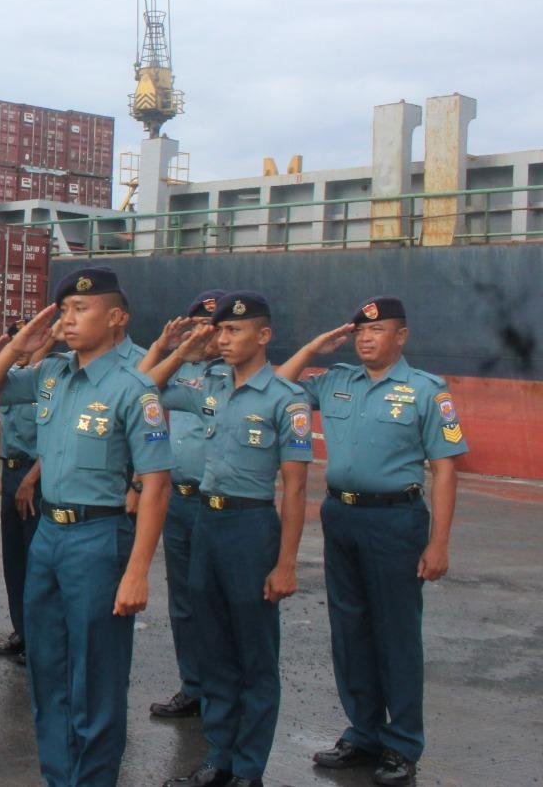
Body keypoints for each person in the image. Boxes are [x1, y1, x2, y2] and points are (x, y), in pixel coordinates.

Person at [0, 267, 172, 787]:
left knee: (96, 676)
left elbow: (156, 485)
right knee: (48, 668)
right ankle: (59, 775)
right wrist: (18, 347)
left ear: (117, 318)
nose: (69, 318)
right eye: (64, 310)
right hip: (49, 538)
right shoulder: (52, 373)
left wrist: (138, 571)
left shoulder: (135, 389)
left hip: (100, 539)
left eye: (82, 309)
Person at [277, 296, 466, 787]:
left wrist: (439, 542)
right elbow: (277, 386)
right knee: (350, 630)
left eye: (377, 330)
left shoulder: (427, 392)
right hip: (341, 517)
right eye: (359, 331)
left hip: (395, 521)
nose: (365, 338)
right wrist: (319, 346)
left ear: (400, 337)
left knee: (395, 635)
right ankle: (363, 733)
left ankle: (401, 745)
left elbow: (445, 471)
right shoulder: (336, 381)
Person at [148, 292, 312, 787]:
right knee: (214, 645)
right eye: (220, 331)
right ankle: (219, 755)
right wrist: (177, 350)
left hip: (251, 527)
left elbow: (297, 487)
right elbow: (144, 389)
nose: (223, 339)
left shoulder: (287, 400)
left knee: (254, 654)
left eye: (234, 331)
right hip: (207, 524)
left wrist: (286, 564)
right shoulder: (209, 386)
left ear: (263, 336)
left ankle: (248, 767)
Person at [141, 290, 225, 721]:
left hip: (222, 506)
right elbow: (140, 387)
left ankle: (225, 692)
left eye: (213, 325)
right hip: (181, 501)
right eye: (197, 324)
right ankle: (193, 685)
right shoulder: (182, 373)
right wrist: (169, 349)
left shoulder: (238, 374)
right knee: (185, 602)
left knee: (220, 601)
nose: (204, 333)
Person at [0, 320, 55, 665]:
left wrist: (31, 478)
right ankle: (21, 631)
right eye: (15, 340)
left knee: (36, 561)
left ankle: (39, 638)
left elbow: (57, 436)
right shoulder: (14, 377)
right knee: (14, 559)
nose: (22, 345)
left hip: (36, 476)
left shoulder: (50, 379)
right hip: (12, 470)